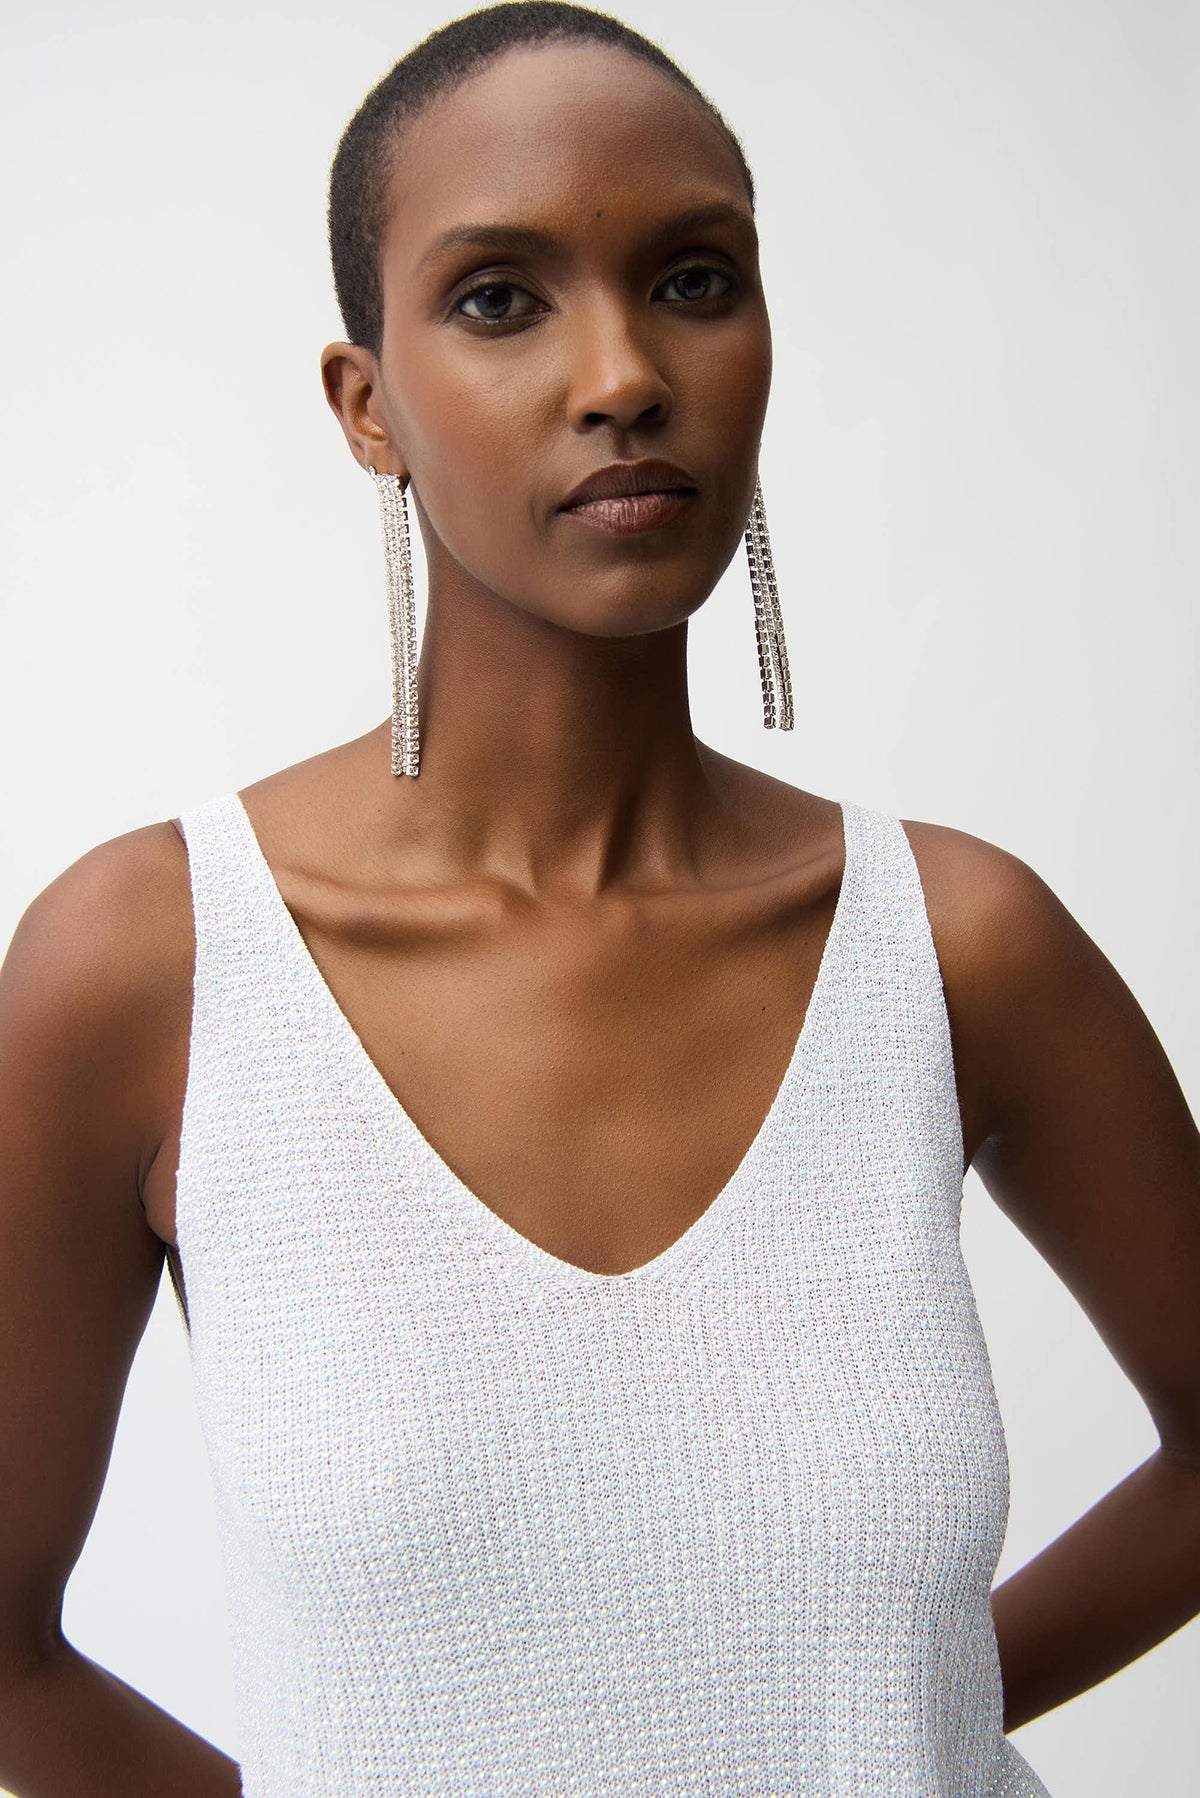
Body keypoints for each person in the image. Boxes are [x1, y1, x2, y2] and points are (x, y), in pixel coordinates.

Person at [0, 3, 1197, 1793]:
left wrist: (895, 1720)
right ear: (366, 405)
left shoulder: (959, 947)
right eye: (500, 298)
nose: (624, 370)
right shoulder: (149, 967)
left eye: (697, 280)